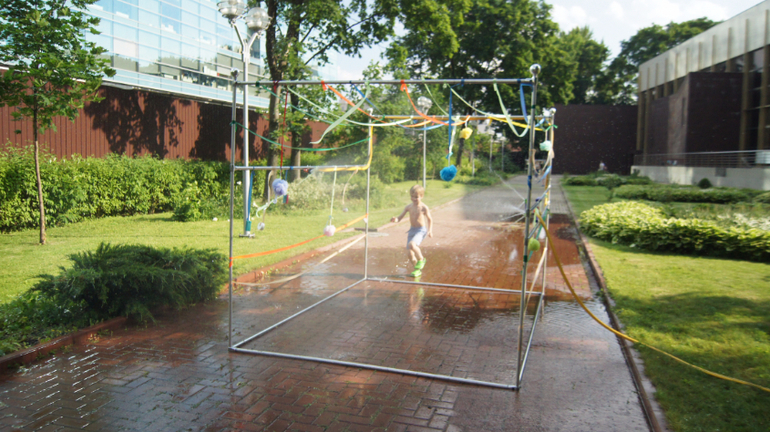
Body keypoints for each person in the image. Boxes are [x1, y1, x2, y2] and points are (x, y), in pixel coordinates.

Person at [391, 184, 433, 277]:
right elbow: (399, 218)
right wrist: (395, 219)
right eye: (412, 196)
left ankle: (421, 259)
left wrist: (430, 230)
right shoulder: (409, 207)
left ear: (421, 196)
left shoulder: (423, 207)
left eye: (416, 197)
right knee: (410, 254)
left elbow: (429, 219)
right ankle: (417, 270)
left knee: (412, 245)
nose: (414, 199)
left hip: (420, 230)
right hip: (412, 230)